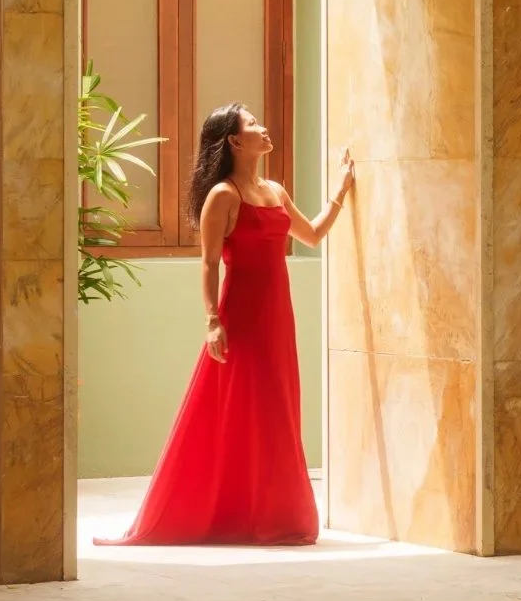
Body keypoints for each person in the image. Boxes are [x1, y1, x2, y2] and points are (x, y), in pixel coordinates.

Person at [101, 105, 355, 547]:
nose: (264, 127)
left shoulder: (275, 191)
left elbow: (312, 235)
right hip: (241, 316)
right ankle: (226, 512)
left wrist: (340, 191)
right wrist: (212, 322)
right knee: (237, 408)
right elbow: (208, 263)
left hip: (278, 317)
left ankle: (275, 515)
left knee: (276, 409)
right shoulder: (223, 195)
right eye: (253, 124)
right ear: (235, 141)